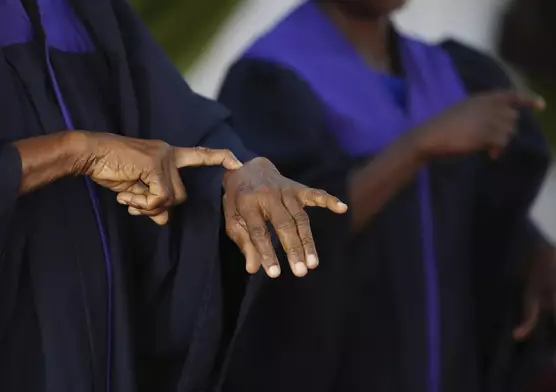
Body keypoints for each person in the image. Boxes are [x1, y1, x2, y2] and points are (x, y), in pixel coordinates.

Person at [0, 0, 348, 391]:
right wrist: (74, 151)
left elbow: (177, 127)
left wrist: (238, 174)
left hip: (107, 353)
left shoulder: (82, 9)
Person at [217, 1, 555, 391]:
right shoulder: (270, 79)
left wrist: (535, 255)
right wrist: (418, 145)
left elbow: (483, 210)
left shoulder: (453, 73)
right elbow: (283, 235)